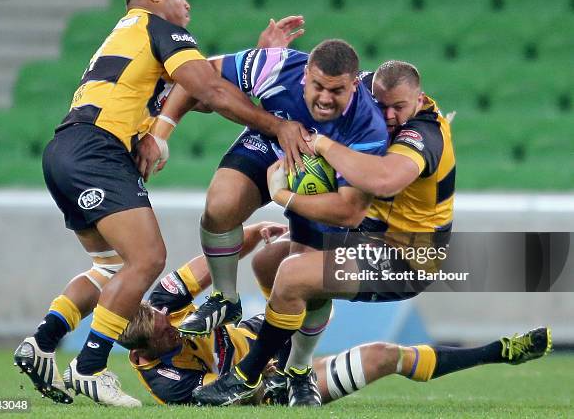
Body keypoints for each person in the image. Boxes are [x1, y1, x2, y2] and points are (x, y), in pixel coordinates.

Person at [13, 0, 310, 407]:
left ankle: (43, 341)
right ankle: (90, 367)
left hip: (66, 150)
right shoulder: (161, 29)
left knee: (113, 269)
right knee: (148, 259)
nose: (186, 4)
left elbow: (201, 94)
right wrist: (278, 125)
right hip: (97, 150)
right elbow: (209, 89)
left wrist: (262, 59)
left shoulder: (129, 34)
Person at [192, 60, 460, 406]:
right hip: (368, 236)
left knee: (294, 275)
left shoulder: (422, 134)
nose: (390, 115)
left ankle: (248, 376)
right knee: (269, 263)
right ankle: (293, 371)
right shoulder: (359, 95)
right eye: (383, 105)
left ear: (420, 101)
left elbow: (383, 179)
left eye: (400, 107)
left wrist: (313, 158)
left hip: (407, 256)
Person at [140, 40, 388, 341]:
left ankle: (298, 367)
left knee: (307, 278)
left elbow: (349, 212)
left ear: (354, 84)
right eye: (317, 86)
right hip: (271, 145)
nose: (324, 98)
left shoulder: (369, 127)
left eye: (336, 91)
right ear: (306, 73)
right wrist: (161, 134)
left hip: (326, 180)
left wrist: (285, 196)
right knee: (221, 205)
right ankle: (225, 298)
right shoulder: (278, 64)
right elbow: (198, 76)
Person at [121, 249, 552, 406]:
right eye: (167, 336)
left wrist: (252, 231)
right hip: (270, 388)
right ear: (143, 355)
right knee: (386, 356)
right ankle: (500, 351)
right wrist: (268, 375)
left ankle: (331, 277)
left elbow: (212, 258)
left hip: (266, 336)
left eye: (169, 323)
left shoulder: (161, 307)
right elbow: (233, 397)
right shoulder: (166, 383)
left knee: (269, 260)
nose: (175, 329)